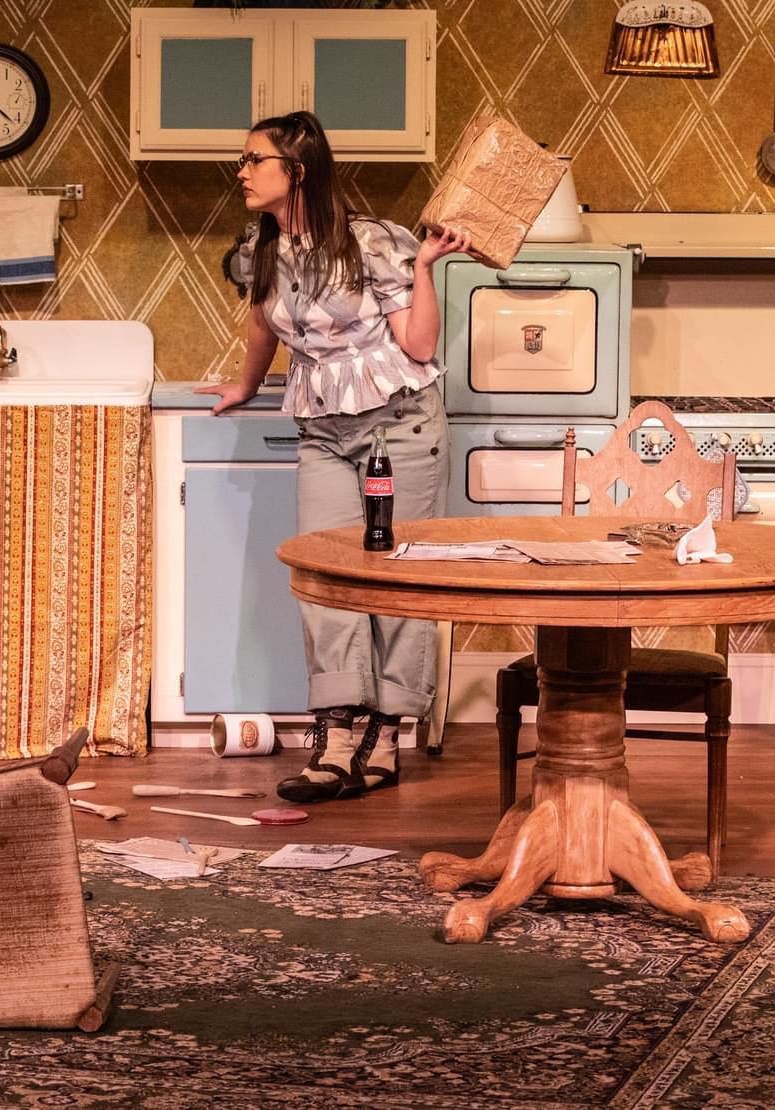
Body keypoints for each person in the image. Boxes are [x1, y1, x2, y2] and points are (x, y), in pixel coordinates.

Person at [197, 111, 468, 804]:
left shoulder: (371, 242)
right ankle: (337, 737)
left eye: (255, 160)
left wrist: (428, 268)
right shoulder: (260, 246)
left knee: (400, 580)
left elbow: (419, 347)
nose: (242, 171)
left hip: (402, 423)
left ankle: (385, 739)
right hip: (323, 429)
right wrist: (247, 384)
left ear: (298, 171)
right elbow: (262, 323)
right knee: (325, 575)